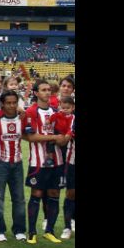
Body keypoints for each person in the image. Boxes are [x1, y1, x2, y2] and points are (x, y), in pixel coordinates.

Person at [23, 79, 69, 244]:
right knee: (36, 194)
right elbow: (31, 137)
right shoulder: (31, 112)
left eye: (49, 89)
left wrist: (62, 138)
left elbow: (63, 136)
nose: (47, 92)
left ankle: (49, 231)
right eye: (43, 90)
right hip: (38, 162)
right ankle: (32, 232)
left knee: (54, 194)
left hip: (57, 161)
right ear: (36, 93)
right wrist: (53, 137)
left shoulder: (56, 111)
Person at [0, 90, 27, 242]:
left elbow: (26, 132)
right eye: (8, 103)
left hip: (17, 163)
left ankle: (19, 230)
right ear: (2, 104)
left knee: (19, 198)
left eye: (14, 102)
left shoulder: (22, 117)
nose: (11, 106)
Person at [52, 96, 75, 239]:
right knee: (71, 193)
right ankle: (67, 227)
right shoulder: (72, 120)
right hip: (73, 161)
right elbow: (66, 137)